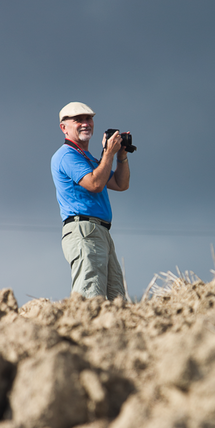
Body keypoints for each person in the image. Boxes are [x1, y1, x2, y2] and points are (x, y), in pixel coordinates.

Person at [51, 101, 130, 300]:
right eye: (78, 120)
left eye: (88, 119)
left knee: (116, 299)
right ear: (64, 127)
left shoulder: (90, 158)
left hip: (100, 232)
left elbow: (121, 184)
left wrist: (120, 156)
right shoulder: (66, 156)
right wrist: (108, 154)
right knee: (90, 298)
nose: (85, 123)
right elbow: (95, 183)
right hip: (84, 230)